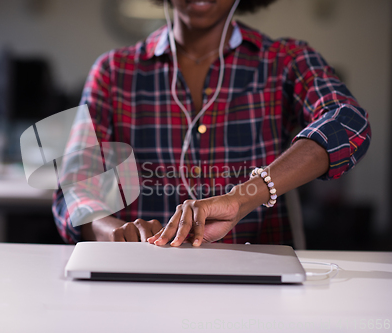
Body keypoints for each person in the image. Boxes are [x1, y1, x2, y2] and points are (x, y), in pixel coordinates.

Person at [53, 0, 371, 247]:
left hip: (256, 284)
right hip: (141, 278)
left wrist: (243, 196)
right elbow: (76, 185)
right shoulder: (114, 71)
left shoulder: (284, 60)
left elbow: (348, 121)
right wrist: (111, 232)